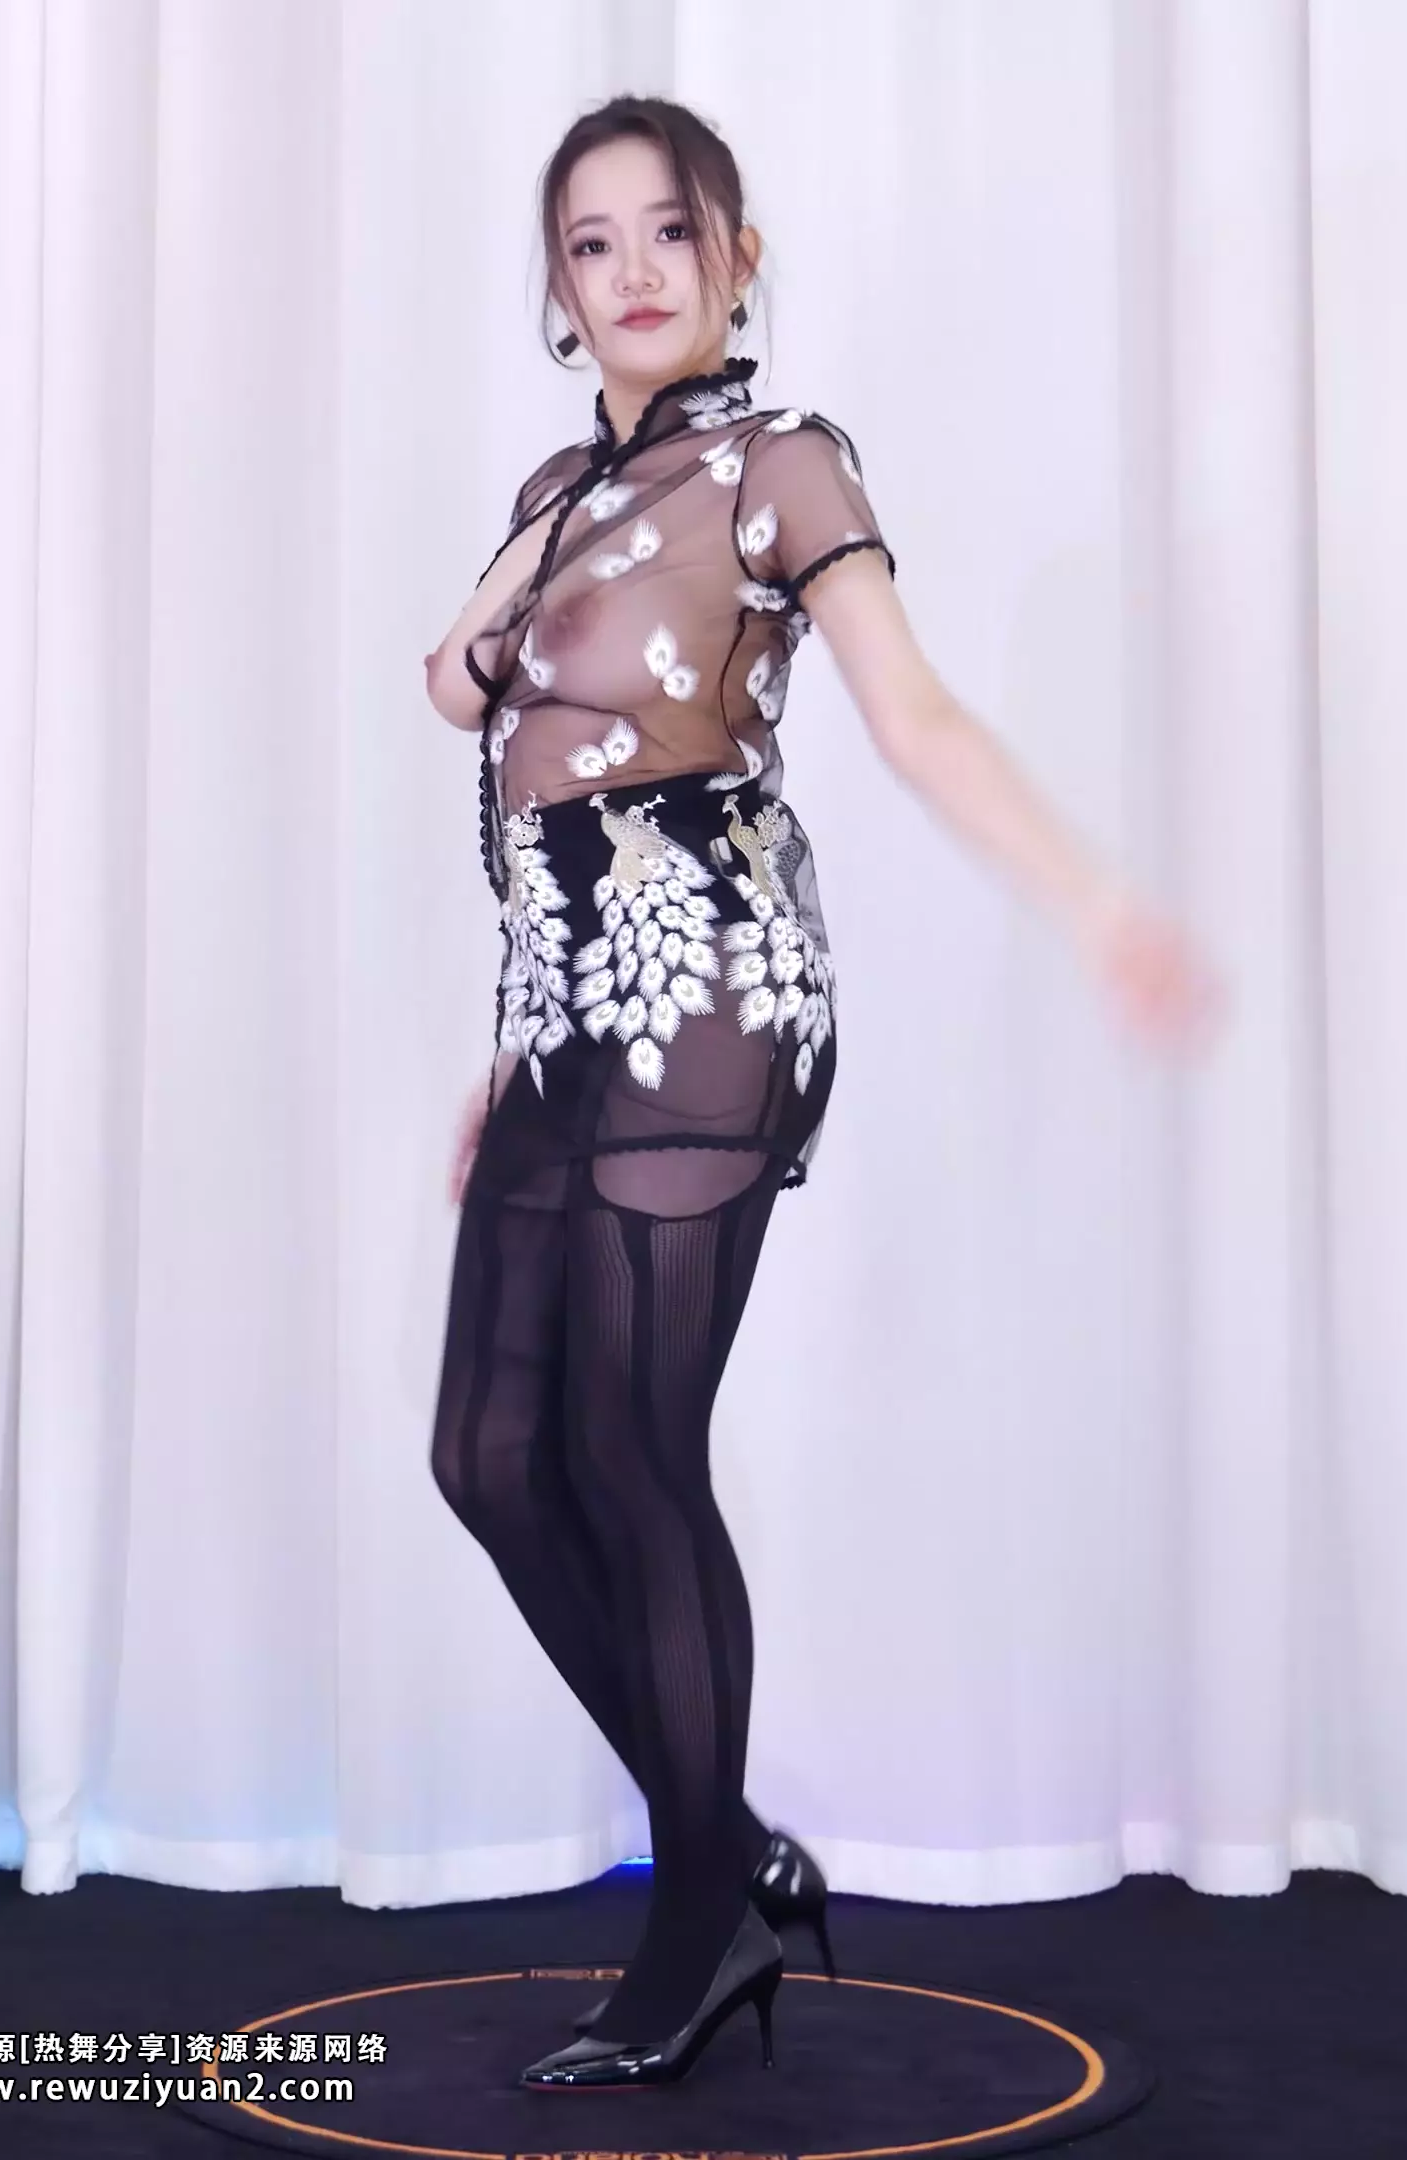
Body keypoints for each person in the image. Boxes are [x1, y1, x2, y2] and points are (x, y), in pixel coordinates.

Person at [417, 94, 1220, 2092]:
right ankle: (730, 1854)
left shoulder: (781, 463)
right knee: (489, 1457)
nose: (635, 271)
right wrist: (507, 1040)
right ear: (555, 286)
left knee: (631, 1449)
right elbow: (482, 718)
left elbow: (912, 716)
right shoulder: (562, 486)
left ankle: (696, 1919)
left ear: (738, 255)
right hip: (565, 1004)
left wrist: (1094, 903)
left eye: (670, 230)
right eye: (591, 242)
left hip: (709, 993)